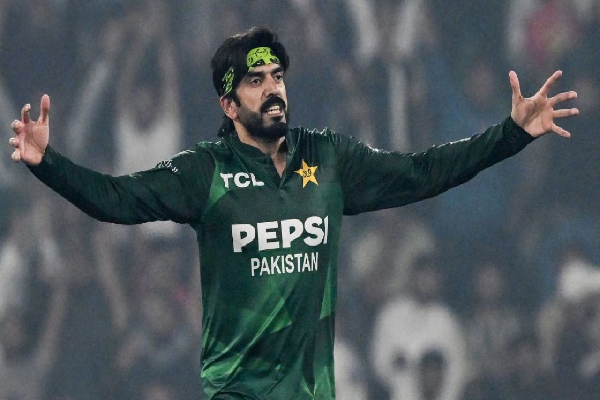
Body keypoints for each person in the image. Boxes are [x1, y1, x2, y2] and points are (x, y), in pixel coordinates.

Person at [7, 26, 578, 399]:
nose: (273, 89)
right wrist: (46, 162)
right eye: (256, 81)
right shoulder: (204, 172)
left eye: (278, 76)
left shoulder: (328, 158)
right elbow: (116, 199)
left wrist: (510, 134)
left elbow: (424, 172)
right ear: (229, 104)